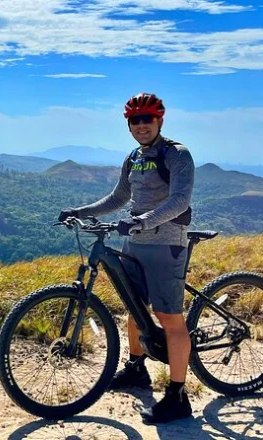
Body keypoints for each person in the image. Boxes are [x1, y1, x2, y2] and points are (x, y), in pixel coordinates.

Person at [58, 92, 195, 424]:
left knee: (170, 318)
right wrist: (80, 211)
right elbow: (118, 197)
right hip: (134, 243)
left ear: (159, 120)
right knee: (135, 308)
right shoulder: (134, 157)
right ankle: (136, 369)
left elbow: (180, 200)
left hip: (166, 244)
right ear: (129, 125)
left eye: (147, 119)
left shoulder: (177, 154)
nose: (141, 125)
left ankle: (177, 396)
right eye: (135, 120)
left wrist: (143, 221)